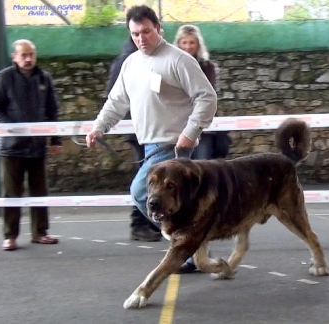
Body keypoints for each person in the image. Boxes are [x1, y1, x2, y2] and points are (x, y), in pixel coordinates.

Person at [85, 6, 217, 242]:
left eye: (146, 32)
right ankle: (190, 242)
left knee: (139, 192)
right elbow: (116, 101)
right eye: (135, 34)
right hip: (149, 146)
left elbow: (207, 97)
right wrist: (99, 127)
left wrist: (190, 132)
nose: (140, 39)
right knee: (178, 203)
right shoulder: (130, 64)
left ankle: (185, 240)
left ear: (158, 28)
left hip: (174, 146)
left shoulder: (179, 60)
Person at [0, 39, 62, 251]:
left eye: (31, 54)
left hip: (37, 146)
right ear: (14, 57)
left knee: (40, 192)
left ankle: (40, 232)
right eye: (23, 55)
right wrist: (12, 128)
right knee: (11, 194)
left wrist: (56, 138)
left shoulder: (44, 78)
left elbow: (52, 109)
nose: (28, 59)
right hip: (10, 148)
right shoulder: (3, 79)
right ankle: (10, 236)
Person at [173, 24, 229, 273]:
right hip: (177, 131)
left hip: (202, 132)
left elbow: (207, 97)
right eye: (183, 42)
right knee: (182, 188)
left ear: (198, 44)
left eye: (191, 43)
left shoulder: (207, 67)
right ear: (178, 44)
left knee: (203, 185)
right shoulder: (172, 65)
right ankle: (188, 248)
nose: (187, 47)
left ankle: (202, 244)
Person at [104, 28, 165, 242]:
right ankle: (140, 224)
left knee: (151, 179)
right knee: (145, 181)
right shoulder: (127, 62)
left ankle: (153, 222)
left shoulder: (160, 57)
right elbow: (114, 97)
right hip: (141, 130)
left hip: (155, 129)